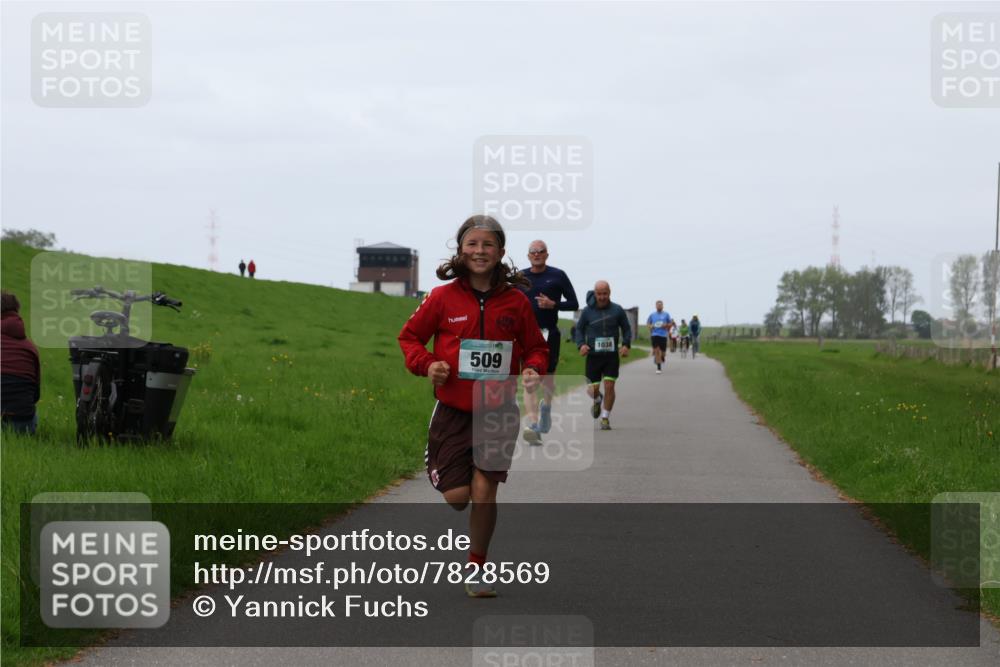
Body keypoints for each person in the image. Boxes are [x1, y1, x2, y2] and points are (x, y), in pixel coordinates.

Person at [398, 215, 548, 598]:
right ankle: (439, 458)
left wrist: (533, 368)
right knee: (457, 499)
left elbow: (535, 346)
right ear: (460, 250)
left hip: (498, 410)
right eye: (472, 244)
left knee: (485, 491)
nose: (480, 251)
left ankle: (477, 567)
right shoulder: (442, 297)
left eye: (488, 245)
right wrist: (427, 364)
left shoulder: (516, 301)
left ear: (500, 252)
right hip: (452, 410)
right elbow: (410, 338)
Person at [518, 240, 578, 444]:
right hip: (526, 335)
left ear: (546, 254)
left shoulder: (558, 275)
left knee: (548, 378)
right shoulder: (520, 277)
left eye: (540, 251)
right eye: (533, 252)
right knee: (528, 380)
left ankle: (547, 408)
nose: (536, 254)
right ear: (528, 256)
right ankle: (533, 424)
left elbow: (574, 303)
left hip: (549, 334)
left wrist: (554, 304)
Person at [574, 281, 631, 430]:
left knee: (609, 386)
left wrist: (626, 345)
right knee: (592, 390)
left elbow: (626, 329)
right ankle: (598, 399)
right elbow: (579, 329)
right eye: (599, 294)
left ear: (609, 292)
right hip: (593, 356)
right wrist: (581, 345)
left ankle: (605, 418)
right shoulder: (587, 311)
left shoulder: (617, 310)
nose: (602, 297)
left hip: (611, 356)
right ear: (595, 293)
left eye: (605, 293)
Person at [1, 291, 41, 435]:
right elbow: (35, 394)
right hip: (21, 423)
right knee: (34, 415)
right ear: (16, 311)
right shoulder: (29, 347)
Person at [646, 301, 671, 374]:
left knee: (663, 352)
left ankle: (662, 357)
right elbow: (648, 323)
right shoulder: (652, 315)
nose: (659, 306)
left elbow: (670, 323)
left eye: (660, 305)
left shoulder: (666, 314)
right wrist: (651, 326)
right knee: (657, 350)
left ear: (663, 306)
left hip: (663, 335)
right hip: (655, 335)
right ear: (656, 306)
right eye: (658, 305)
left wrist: (666, 325)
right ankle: (658, 367)